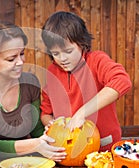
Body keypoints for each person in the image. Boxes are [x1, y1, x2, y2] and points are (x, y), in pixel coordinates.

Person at [0, 19, 66, 161]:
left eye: (22, 53)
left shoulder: (30, 82)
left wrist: (55, 130)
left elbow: (37, 132)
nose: (20, 62)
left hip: (28, 164)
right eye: (11, 59)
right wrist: (33, 145)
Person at [40, 11, 132, 151]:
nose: (62, 58)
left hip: (103, 147)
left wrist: (82, 112)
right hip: (68, 150)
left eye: (68, 51)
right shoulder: (53, 72)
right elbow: (46, 112)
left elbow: (121, 81)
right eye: (56, 53)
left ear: (82, 43)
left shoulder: (96, 61)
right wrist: (53, 125)